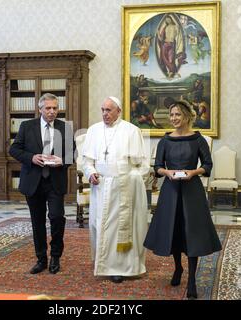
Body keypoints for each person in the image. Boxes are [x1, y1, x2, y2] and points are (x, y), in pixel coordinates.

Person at [143, 100, 221, 299]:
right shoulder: (165, 140)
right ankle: (178, 268)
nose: (174, 119)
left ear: (187, 116)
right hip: (170, 190)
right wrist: (167, 172)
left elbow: (208, 165)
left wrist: (193, 172)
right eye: (172, 115)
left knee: (192, 233)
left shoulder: (198, 139)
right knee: (174, 231)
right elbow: (157, 167)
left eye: (177, 115)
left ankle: (193, 280)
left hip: (192, 191)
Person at [82, 96, 150, 284]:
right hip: (101, 187)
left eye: (109, 110)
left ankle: (120, 267)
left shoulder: (131, 131)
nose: (105, 114)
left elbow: (142, 165)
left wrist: (129, 177)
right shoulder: (94, 131)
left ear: (118, 111)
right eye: (103, 110)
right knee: (99, 225)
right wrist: (91, 173)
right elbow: (86, 162)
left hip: (123, 188)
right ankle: (103, 262)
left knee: (120, 228)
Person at [9, 93, 75, 275]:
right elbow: (14, 149)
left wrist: (63, 160)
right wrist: (31, 157)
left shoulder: (65, 127)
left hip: (55, 181)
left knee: (56, 218)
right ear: (40, 109)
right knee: (37, 222)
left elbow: (72, 153)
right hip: (33, 182)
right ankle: (41, 259)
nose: (52, 111)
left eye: (55, 108)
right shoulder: (26, 126)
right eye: (48, 108)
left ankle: (55, 257)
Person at [156, 14, 186, 79]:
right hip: (165, 44)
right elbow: (161, 39)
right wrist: (158, 33)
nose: (167, 20)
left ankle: (172, 72)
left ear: (171, 19)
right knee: (165, 58)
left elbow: (178, 33)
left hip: (171, 44)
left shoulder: (175, 26)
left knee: (170, 59)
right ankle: (172, 72)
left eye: (168, 19)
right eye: (166, 20)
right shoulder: (165, 28)